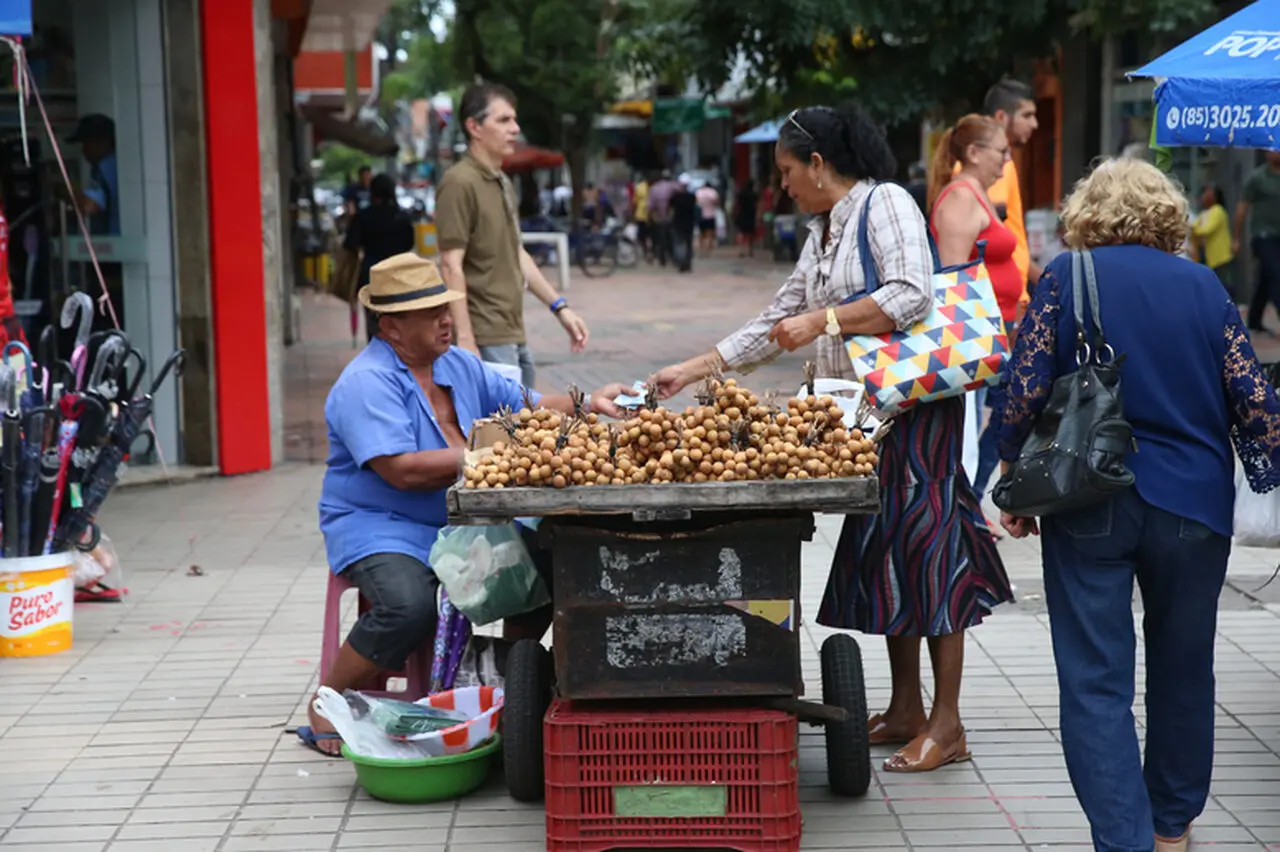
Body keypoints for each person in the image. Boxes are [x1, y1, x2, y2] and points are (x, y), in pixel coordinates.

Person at [653, 104, 1012, 773]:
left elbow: (911, 297)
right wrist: (695, 368)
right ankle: (907, 707)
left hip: (917, 406)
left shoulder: (888, 204)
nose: (783, 183)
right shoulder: (823, 230)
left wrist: (824, 321)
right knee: (889, 551)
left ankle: (948, 721)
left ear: (818, 164)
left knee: (928, 552)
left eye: (788, 170)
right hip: (866, 415)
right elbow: (777, 318)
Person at [996, 158, 1280, 852]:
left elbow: (1024, 387)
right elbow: (1257, 403)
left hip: (1091, 496)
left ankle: (1123, 841)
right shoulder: (1204, 286)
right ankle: (1171, 824)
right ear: (1167, 215)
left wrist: (1010, 468)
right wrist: (1261, 474)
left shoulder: (1068, 275)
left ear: (1087, 213)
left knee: (1096, 680)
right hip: (1193, 505)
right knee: (1185, 669)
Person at [302, 252, 626, 757]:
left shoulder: (458, 365)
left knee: (554, 557)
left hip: (460, 522)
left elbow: (529, 407)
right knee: (406, 605)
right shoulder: (364, 383)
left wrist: (589, 403)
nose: (446, 320)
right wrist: (487, 452)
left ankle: (514, 680)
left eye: (445, 308)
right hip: (381, 525)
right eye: (431, 314)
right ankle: (327, 699)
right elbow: (402, 471)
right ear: (391, 326)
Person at [436, 82, 590, 387]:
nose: (515, 129)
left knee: (522, 427)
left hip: (512, 330)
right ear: (474, 127)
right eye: (504, 120)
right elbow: (450, 265)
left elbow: (517, 253)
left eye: (514, 120)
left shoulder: (502, 182)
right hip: (484, 334)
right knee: (499, 431)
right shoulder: (459, 182)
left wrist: (561, 308)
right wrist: (465, 338)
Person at [929, 115, 1023, 515]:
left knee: (1003, 423)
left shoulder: (977, 194)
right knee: (969, 440)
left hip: (993, 336)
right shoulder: (961, 198)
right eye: (1001, 152)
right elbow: (952, 280)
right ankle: (964, 520)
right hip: (971, 343)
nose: (1006, 160)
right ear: (973, 153)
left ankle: (972, 512)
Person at [344, 174, 417, 343]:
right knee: (399, 318)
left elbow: (350, 244)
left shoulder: (363, 216)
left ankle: (376, 352)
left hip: (371, 273)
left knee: (373, 319)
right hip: (398, 274)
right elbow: (409, 243)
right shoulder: (402, 217)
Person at [1234, 150, 1280, 336]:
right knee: (1276, 273)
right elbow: (1242, 209)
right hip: (1263, 235)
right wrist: (1236, 238)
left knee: (1265, 279)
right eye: (1272, 149)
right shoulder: (1257, 178)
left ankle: (1254, 321)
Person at [68, 113, 119, 237]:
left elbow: (89, 205)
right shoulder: (118, 164)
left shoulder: (105, 167)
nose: (83, 150)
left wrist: (65, 192)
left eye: (86, 144)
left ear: (102, 142)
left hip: (114, 246)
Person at [1192, 183, 1235, 298]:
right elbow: (1195, 228)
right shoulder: (1205, 213)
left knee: (1223, 284)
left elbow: (1205, 229)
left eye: (1208, 193)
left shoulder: (1218, 211)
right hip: (1210, 256)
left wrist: (1194, 228)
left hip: (1220, 256)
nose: (1204, 196)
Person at [647, 170, 679, 267]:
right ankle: (673, 257)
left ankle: (662, 259)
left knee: (660, 239)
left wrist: (650, 217)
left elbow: (651, 205)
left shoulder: (654, 188)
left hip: (659, 218)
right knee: (672, 238)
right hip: (672, 217)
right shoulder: (675, 187)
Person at [670, 177, 698, 273]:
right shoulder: (692, 197)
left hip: (677, 222)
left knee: (678, 244)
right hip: (689, 223)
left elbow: (671, 208)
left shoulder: (675, 197)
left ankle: (681, 263)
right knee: (688, 244)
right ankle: (688, 264)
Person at [695, 180, 720, 254]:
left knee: (701, 233)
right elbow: (716, 202)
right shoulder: (713, 192)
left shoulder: (699, 192)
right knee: (710, 232)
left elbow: (696, 203)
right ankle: (708, 249)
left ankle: (701, 248)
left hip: (701, 215)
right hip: (710, 215)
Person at [735, 179, 759, 258]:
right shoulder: (753, 194)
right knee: (750, 234)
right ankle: (750, 250)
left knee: (742, 233)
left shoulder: (741, 194)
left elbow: (737, 204)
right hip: (751, 215)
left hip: (742, 215)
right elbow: (757, 203)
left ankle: (741, 250)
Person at [632, 173, 652, 261]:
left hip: (640, 214)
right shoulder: (652, 187)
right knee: (650, 234)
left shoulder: (638, 187)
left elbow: (634, 201)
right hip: (650, 214)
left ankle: (645, 250)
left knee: (641, 235)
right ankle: (651, 250)